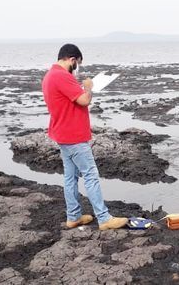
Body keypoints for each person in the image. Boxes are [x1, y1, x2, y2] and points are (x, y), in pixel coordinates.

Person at [42, 43, 128, 230]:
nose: (77, 67)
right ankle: (104, 218)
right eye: (77, 63)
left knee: (70, 177)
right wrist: (89, 87)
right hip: (73, 136)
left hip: (62, 134)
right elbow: (84, 100)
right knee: (91, 175)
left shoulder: (50, 75)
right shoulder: (62, 76)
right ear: (72, 59)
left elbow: (70, 100)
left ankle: (73, 216)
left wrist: (81, 88)